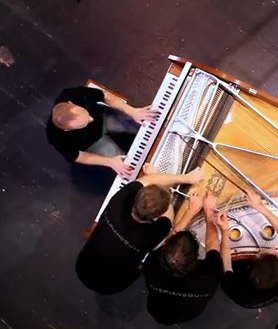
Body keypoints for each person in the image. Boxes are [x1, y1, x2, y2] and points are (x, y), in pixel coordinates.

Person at [75, 164, 202, 294]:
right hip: (113, 286)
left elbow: (145, 181)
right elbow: (168, 217)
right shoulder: (150, 236)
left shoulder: (117, 203)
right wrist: (175, 183)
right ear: (157, 216)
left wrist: (161, 178)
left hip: (83, 267)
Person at [143, 191, 225, 325]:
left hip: (156, 308)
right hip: (187, 314)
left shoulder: (151, 266)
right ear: (197, 258)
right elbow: (212, 245)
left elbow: (169, 240)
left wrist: (191, 211)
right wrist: (208, 213)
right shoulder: (209, 278)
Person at [46, 86, 155, 176]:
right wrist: (110, 162)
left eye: (87, 115)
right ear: (67, 130)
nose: (91, 119)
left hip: (102, 116)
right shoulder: (55, 136)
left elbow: (105, 96)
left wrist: (132, 112)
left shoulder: (72, 94)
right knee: (124, 164)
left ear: (71, 103)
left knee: (140, 125)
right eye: (85, 123)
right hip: (92, 141)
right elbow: (78, 156)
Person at [220, 191, 278, 308]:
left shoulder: (240, 292)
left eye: (269, 252)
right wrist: (260, 206)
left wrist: (224, 230)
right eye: (276, 255)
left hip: (245, 294)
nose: (273, 248)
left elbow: (226, 265)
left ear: (250, 265)